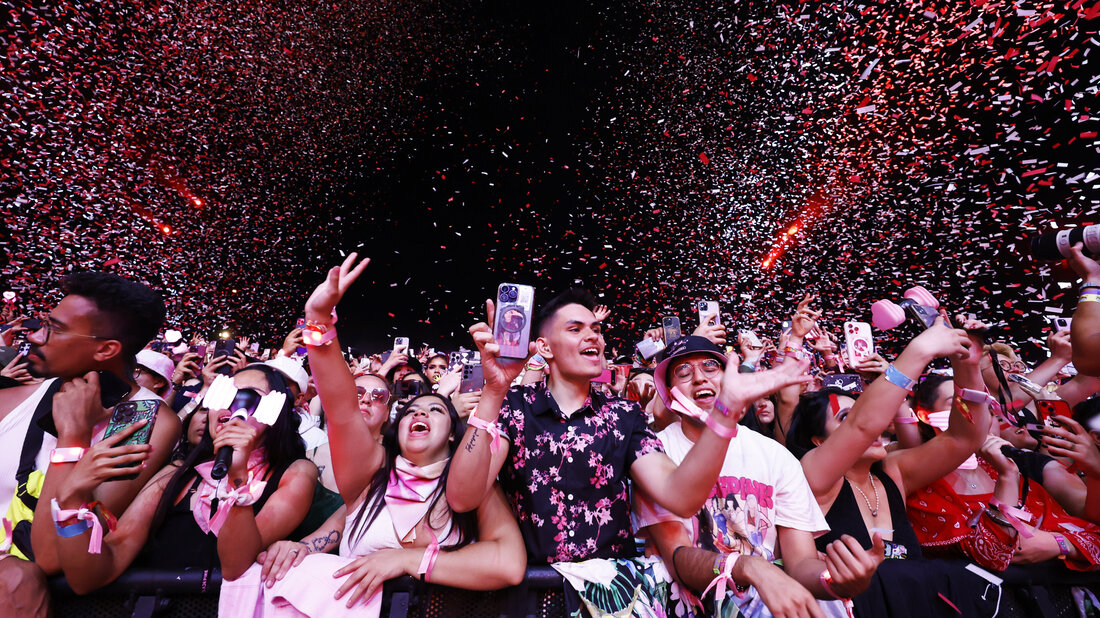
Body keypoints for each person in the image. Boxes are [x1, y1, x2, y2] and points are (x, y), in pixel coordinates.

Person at [447, 287, 810, 615]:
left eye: (597, 330)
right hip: (536, 597)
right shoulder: (515, 406)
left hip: (614, 598)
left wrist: (725, 413)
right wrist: (494, 392)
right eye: (575, 329)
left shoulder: (623, 415)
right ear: (543, 348)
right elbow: (463, 498)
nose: (593, 336)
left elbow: (680, 496)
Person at [218, 253, 524, 615]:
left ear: (454, 435)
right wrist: (317, 322)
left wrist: (406, 561)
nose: (421, 412)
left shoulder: (470, 486)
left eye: (436, 409)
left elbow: (508, 563)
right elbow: (342, 407)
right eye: (410, 410)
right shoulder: (371, 476)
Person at [635, 336, 878, 618]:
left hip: (770, 599)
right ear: (669, 392)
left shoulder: (775, 456)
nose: (700, 378)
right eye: (684, 372)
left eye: (711, 367)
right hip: (693, 604)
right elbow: (677, 558)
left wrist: (837, 580)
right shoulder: (653, 453)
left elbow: (800, 563)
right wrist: (748, 567)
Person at [785, 315, 1001, 616]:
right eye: (844, 417)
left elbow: (966, 437)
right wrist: (919, 350)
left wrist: (968, 365)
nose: (876, 424)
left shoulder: (893, 472)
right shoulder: (812, 476)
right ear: (819, 441)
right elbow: (862, 426)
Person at [0, 272, 181, 617]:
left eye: (55, 328)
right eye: (43, 322)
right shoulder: (11, 399)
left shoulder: (142, 420)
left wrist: (73, 438)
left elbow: (52, 555)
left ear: (106, 349)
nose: (36, 336)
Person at [50, 364, 317, 592]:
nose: (233, 405)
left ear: (276, 411)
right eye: (224, 394)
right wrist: (71, 502)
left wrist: (237, 479)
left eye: (249, 396)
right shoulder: (176, 474)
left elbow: (234, 566)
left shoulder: (296, 473)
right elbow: (89, 577)